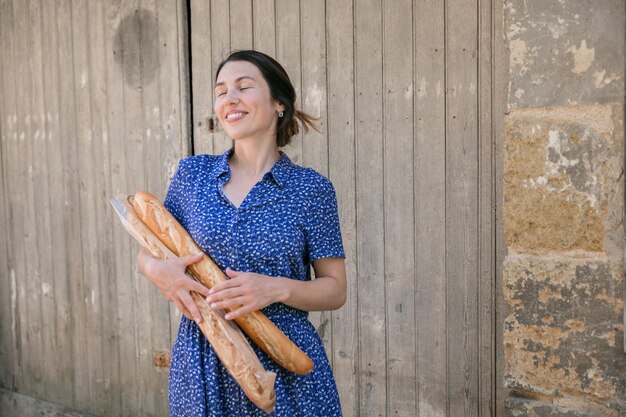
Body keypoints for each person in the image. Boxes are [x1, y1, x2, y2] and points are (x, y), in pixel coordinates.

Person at [137, 50, 347, 416]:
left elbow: (335, 288)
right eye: (221, 91)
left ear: (278, 103)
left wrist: (277, 288)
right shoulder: (193, 176)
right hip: (203, 360)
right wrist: (156, 271)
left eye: (244, 87)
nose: (229, 99)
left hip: (284, 364)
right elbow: (150, 248)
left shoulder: (310, 189)